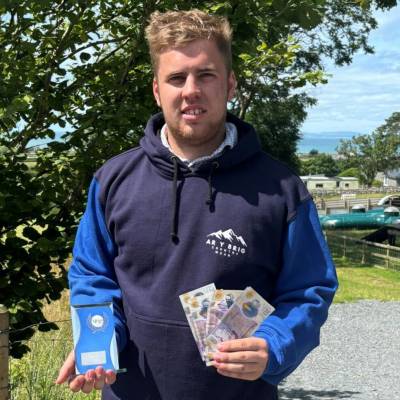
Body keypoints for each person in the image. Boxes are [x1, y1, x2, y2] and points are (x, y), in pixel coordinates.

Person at [56, 9, 338, 400]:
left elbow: (309, 289)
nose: (191, 90)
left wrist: (274, 345)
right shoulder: (112, 180)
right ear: (158, 90)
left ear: (230, 84)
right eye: (176, 78)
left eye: (206, 75)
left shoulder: (282, 190)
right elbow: (91, 276)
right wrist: (97, 341)